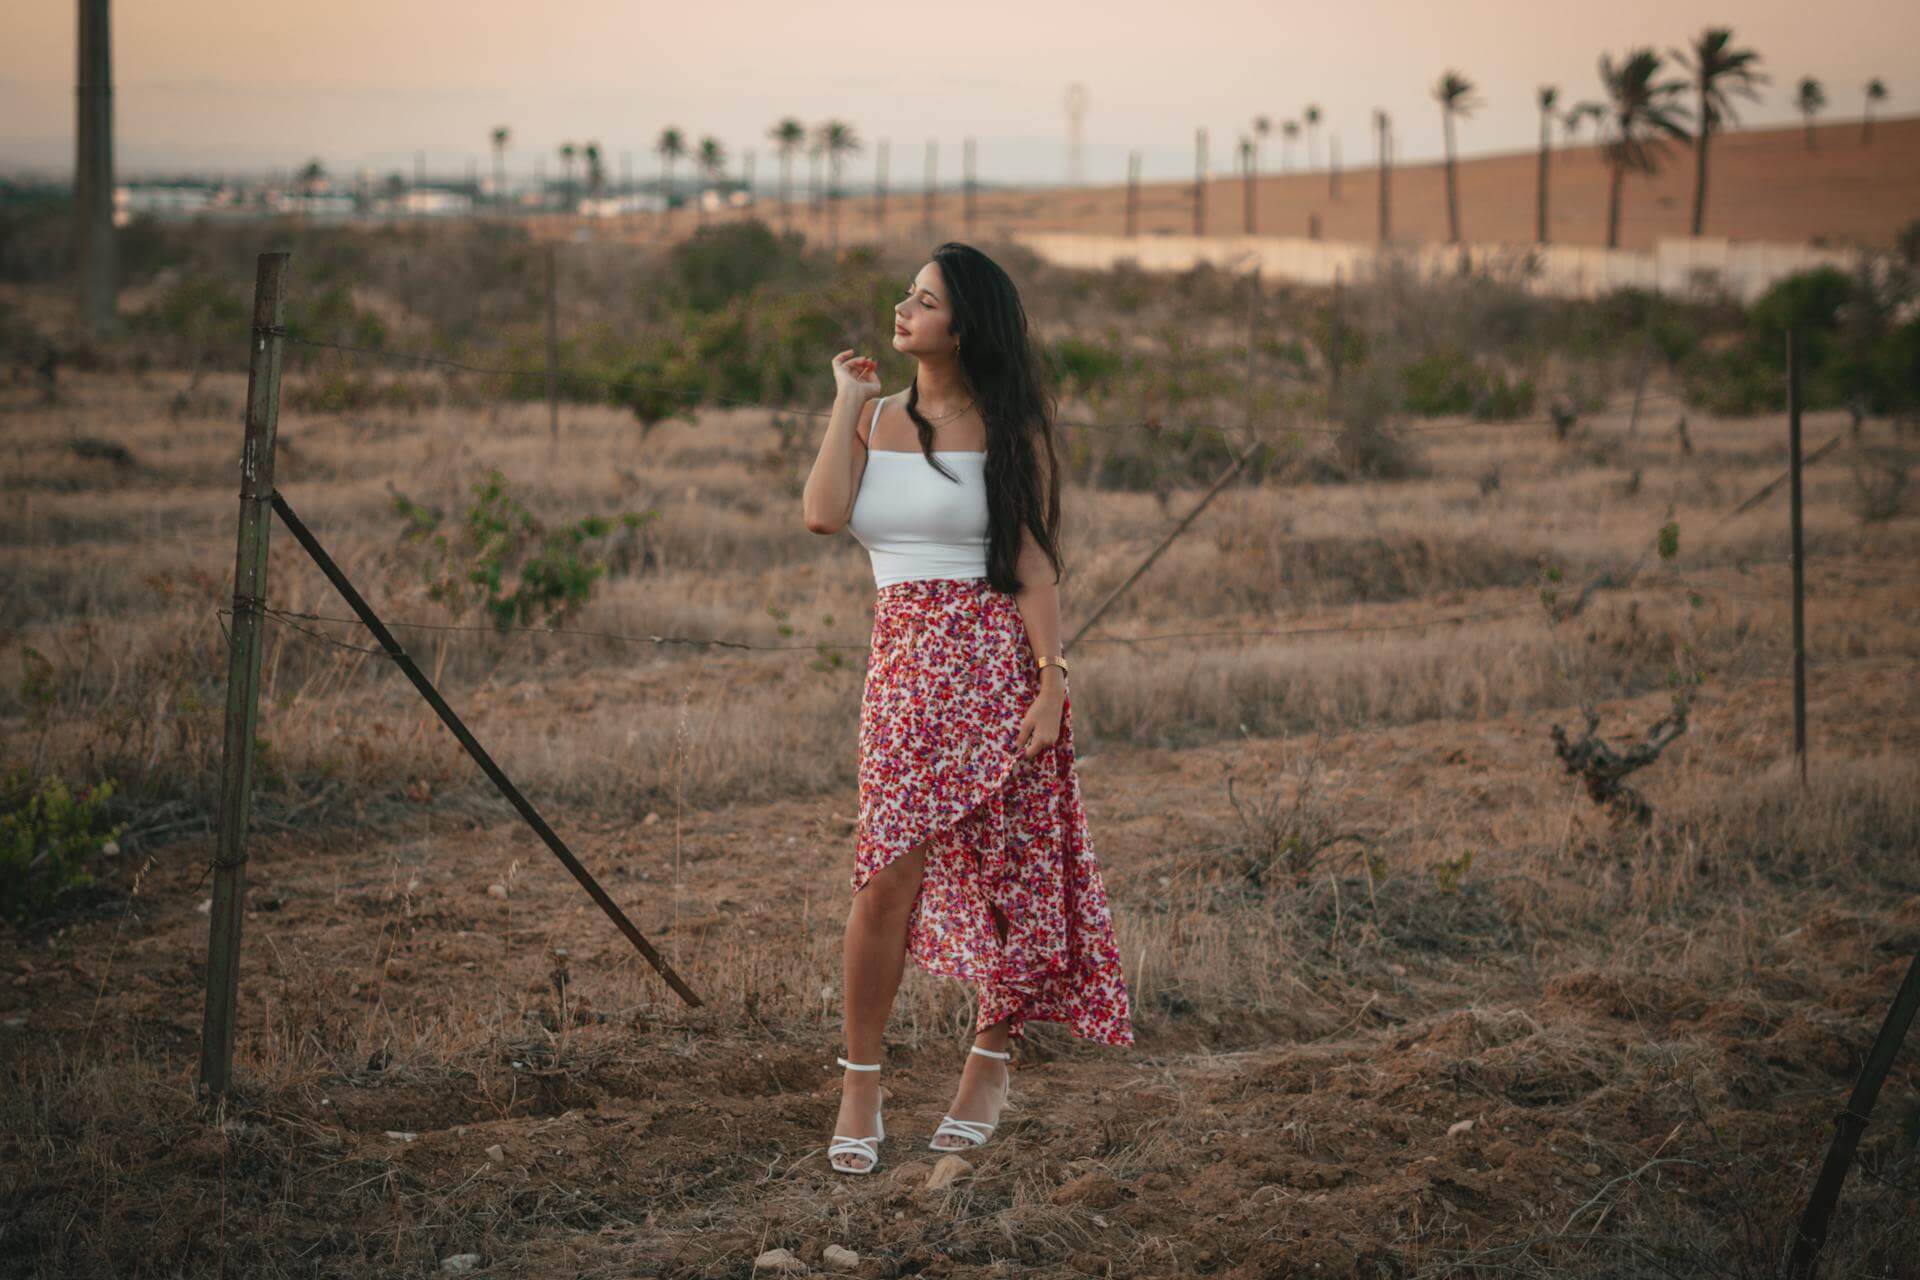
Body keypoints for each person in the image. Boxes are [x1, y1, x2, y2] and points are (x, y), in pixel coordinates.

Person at [801, 242, 1134, 1176]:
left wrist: (1052, 681)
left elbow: (1029, 564)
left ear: (965, 324)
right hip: (903, 677)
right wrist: (844, 403)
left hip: (993, 668)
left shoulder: (1006, 428)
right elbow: (824, 515)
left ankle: (990, 1059)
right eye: (906, 295)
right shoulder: (872, 419)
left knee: (1011, 878)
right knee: (882, 883)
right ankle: (860, 1080)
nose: (903, 310)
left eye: (926, 300)